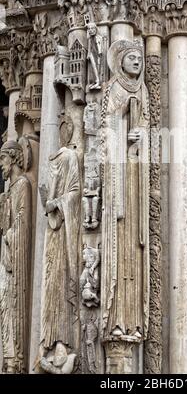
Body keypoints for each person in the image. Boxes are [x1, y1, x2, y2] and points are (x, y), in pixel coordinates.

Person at [100, 39, 150, 344]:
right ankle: (116, 319)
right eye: (131, 57)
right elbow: (104, 128)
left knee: (135, 245)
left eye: (140, 58)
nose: (137, 62)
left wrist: (141, 134)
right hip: (117, 174)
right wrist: (121, 129)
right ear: (119, 61)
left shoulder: (142, 90)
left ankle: (133, 319)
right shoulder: (114, 89)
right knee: (120, 244)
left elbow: (146, 127)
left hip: (136, 174)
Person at [40, 114, 80, 373]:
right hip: (53, 232)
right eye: (61, 127)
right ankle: (49, 342)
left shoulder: (71, 157)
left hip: (65, 227)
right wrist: (49, 204)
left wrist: (57, 203)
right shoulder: (55, 158)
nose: (63, 132)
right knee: (51, 282)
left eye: (67, 127)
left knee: (62, 281)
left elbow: (74, 191)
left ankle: (63, 342)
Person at [0, 140, 31, 373]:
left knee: (11, 303)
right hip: (6, 255)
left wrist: (10, 233)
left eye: (3, 158)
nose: (1, 164)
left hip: (16, 257)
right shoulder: (9, 190)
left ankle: (17, 359)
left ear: (13, 158)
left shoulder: (22, 185)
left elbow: (23, 221)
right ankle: (9, 358)